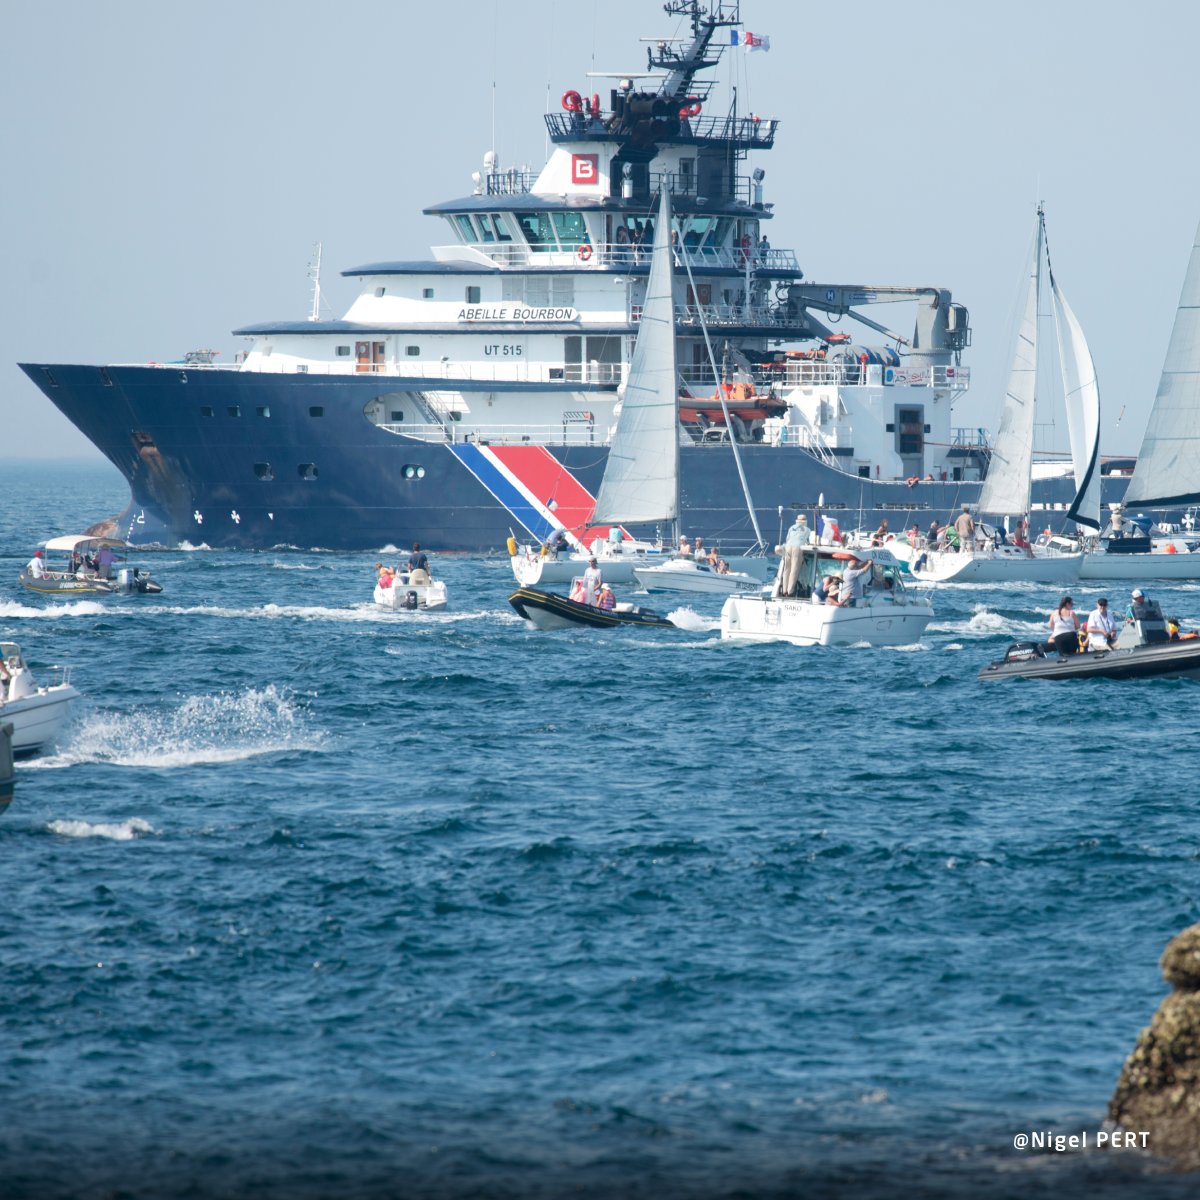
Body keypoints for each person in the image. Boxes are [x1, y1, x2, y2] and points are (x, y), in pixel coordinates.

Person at [775, 514, 813, 597]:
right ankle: (790, 591)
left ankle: (784, 590)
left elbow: (787, 539)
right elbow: (809, 541)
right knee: (794, 570)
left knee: (786, 569)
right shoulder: (807, 530)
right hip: (797, 547)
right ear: (805, 521)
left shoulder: (791, 527)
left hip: (788, 547)